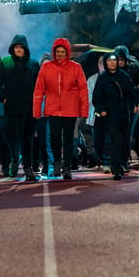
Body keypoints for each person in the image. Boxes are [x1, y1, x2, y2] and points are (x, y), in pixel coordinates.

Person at [33, 38, 89, 180]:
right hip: (53, 110)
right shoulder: (46, 68)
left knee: (69, 139)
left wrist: (84, 111)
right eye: (57, 52)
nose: (60, 54)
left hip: (70, 110)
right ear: (54, 52)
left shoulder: (76, 68)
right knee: (55, 138)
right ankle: (57, 163)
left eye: (62, 52)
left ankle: (67, 167)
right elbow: (39, 90)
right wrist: (37, 111)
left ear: (67, 52)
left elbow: (83, 90)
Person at [0, 34, 40, 181]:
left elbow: (39, 86)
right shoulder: (5, 62)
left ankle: (27, 166)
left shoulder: (33, 64)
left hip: (29, 108)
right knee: (12, 139)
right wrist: (4, 98)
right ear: (13, 48)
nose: (19, 49)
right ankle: (13, 162)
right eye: (16, 47)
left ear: (25, 49)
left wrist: (37, 103)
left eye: (21, 47)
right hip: (11, 108)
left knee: (28, 139)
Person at [92, 53, 138, 180]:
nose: (112, 63)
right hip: (110, 115)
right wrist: (101, 110)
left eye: (114, 60)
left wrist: (138, 103)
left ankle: (122, 164)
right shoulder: (102, 78)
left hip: (124, 114)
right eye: (109, 60)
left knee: (124, 141)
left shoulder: (124, 76)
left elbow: (132, 91)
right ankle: (116, 168)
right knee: (115, 141)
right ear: (106, 63)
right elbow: (97, 97)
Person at [114, 45, 139, 171]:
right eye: (118, 59)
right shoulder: (112, 69)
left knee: (127, 134)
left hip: (131, 106)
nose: (120, 62)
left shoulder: (134, 68)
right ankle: (116, 160)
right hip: (116, 107)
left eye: (122, 59)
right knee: (117, 135)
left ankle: (124, 162)